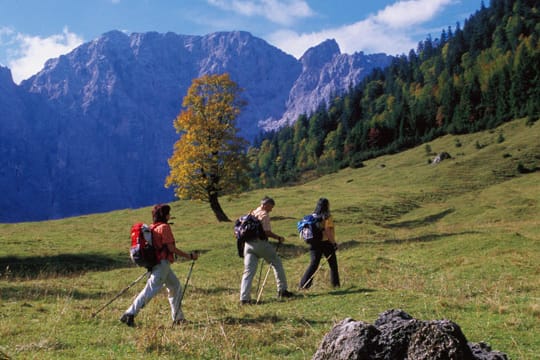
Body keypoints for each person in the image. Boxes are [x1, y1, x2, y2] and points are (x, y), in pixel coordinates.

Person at [120, 204, 198, 327]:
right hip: (162, 264)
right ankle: (129, 314)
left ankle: (178, 318)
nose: (170, 215)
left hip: (157, 263)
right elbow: (171, 248)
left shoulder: (152, 227)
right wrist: (189, 256)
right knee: (151, 289)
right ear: (165, 215)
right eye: (168, 213)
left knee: (175, 286)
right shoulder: (164, 228)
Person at [240, 196, 294, 304]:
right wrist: (278, 237)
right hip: (260, 244)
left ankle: (244, 298)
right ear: (265, 205)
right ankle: (282, 290)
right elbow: (266, 232)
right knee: (277, 262)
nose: (271, 209)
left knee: (248, 272)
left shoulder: (252, 213)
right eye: (270, 207)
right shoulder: (264, 215)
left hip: (248, 245)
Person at [299, 198, 340, 289]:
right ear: (327, 206)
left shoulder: (312, 216)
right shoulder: (327, 217)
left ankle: (303, 285)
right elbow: (328, 230)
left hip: (314, 244)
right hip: (326, 243)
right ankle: (335, 285)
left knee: (313, 265)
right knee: (333, 265)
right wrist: (333, 243)